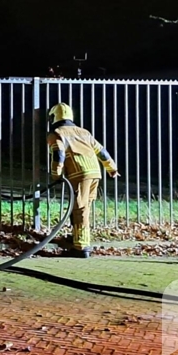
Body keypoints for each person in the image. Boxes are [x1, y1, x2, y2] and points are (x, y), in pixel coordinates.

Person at [46, 102, 119, 258]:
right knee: (84, 208)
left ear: (53, 117)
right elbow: (101, 151)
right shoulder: (83, 132)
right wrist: (111, 168)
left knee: (79, 210)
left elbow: (58, 154)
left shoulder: (57, 133)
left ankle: (81, 247)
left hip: (79, 173)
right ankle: (77, 238)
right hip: (94, 172)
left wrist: (56, 174)